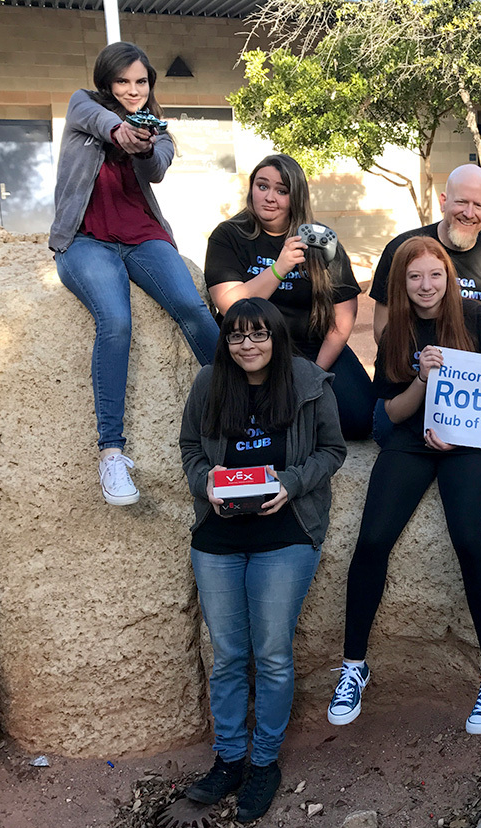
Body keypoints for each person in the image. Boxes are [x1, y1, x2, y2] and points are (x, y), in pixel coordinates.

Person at [328, 236, 481, 735]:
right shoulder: (396, 333)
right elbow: (385, 418)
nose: (426, 286)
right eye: (414, 278)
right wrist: (423, 383)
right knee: (370, 541)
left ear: (448, 276)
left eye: (435, 274)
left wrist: (465, 428)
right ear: (401, 283)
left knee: (470, 539)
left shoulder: (476, 319)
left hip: (469, 445)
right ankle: (353, 666)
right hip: (411, 443)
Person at [179, 298, 346, 822]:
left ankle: (265, 762)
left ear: (276, 337)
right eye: (236, 336)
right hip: (219, 535)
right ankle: (229, 758)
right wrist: (203, 481)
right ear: (225, 342)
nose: (247, 345)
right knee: (228, 654)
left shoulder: (308, 382)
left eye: (258, 335)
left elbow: (332, 451)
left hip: (286, 531)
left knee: (271, 653)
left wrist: (291, 483)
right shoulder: (209, 383)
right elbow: (190, 448)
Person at [50, 41, 219, 506]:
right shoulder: (84, 105)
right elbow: (98, 121)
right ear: (108, 82)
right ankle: (111, 453)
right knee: (116, 321)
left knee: (190, 305)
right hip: (87, 240)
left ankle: (246, 397)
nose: (132, 89)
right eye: (122, 81)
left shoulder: (158, 129)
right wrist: (120, 132)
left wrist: (144, 145)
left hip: (143, 237)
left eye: (140, 81)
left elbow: (159, 167)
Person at [205, 154, 373, 439]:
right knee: (258, 427)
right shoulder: (229, 235)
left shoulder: (320, 239)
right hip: (255, 348)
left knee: (360, 420)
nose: (270, 197)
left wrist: (315, 375)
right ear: (251, 189)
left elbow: (343, 317)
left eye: (282, 191)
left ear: (296, 197)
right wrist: (280, 268)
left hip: (313, 346)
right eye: (262, 186)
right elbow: (230, 306)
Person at [370, 164, 481, 355]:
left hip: (472, 377)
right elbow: (382, 330)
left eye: (478, 205)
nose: (469, 213)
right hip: (412, 371)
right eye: (461, 202)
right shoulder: (401, 251)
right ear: (443, 201)